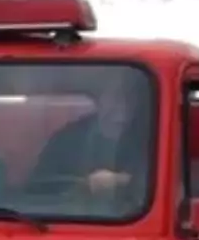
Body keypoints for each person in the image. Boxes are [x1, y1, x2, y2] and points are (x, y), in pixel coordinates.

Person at [27, 68, 147, 203]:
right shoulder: (67, 139)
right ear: (98, 99)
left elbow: (165, 180)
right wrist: (80, 189)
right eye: (116, 97)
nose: (123, 107)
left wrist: (123, 181)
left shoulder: (150, 136)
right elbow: (37, 191)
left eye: (130, 98)